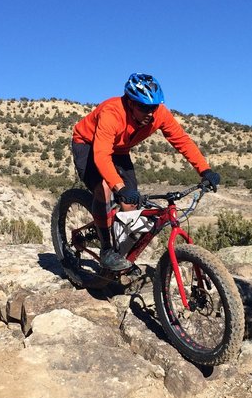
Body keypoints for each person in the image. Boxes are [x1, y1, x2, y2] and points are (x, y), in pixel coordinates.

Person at [71, 73, 220, 271]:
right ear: (130, 103)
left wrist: (205, 170)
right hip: (88, 144)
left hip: (119, 150)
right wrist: (119, 186)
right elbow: (101, 155)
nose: (150, 112)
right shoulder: (112, 113)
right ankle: (106, 250)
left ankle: (122, 258)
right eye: (143, 107)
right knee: (105, 189)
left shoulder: (159, 113)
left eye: (153, 107)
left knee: (131, 206)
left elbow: (181, 141)